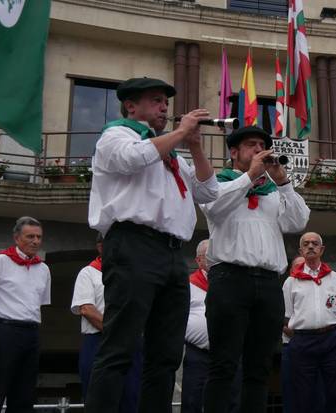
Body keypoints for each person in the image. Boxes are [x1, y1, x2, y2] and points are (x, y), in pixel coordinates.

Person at [86, 77, 219, 413]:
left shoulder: (172, 153)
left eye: (165, 102)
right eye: (157, 100)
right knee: (120, 347)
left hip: (173, 254)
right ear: (131, 106)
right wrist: (177, 134)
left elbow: (207, 192)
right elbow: (133, 159)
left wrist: (196, 145)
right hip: (133, 245)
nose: (165, 108)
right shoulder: (116, 135)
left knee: (166, 355)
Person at [201, 125, 310, 413]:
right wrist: (250, 176)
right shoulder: (219, 182)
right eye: (252, 145)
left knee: (260, 367)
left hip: (269, 283)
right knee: (223, 364)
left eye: (263, 145)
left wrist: (283, 182)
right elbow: (214, 208)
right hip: (230, 279)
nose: (260, 150)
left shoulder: (272, 191)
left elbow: (297, 222)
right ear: (234, 152)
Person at [0, 216, 51, 413]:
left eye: (39, 237)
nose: (35, 241)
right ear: (17, 238)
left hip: (31, 332)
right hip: (4, 330)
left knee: (25, 392)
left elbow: (40, 304)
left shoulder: (43, 268)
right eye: (30, 236)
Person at [70, 234, 142, 412]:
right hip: (98, 342)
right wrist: (117, 330)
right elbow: (86, 309)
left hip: (130, 343)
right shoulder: (88, 273)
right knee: (99, 401)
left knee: (131, 399)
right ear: (101, 247)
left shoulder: (133, 273)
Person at [283, 232, 336, 413]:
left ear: (322, 249)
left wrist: (327, 325)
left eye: (314, 243)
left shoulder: (334, 277)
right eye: (306, 244)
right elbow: (286, 317)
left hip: (332, 340)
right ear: (300, 250)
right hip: (303, 342)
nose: (310, 246)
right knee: (303, 396)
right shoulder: (291, 282)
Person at [181, 240, 241, 413]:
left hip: (229, 354)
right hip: (198, 355)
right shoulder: (188, 285)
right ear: (198, 260)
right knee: (193, 401)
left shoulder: (232, 284)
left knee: (231, 402)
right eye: (208, 255)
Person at [281, 256, 305, 413]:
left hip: (313, 347)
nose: (301, 269)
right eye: (297, 267)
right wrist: (303, 337)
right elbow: (282, 321)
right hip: (291, 345)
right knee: (292, 393)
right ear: (291, 270)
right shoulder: (288, 284)